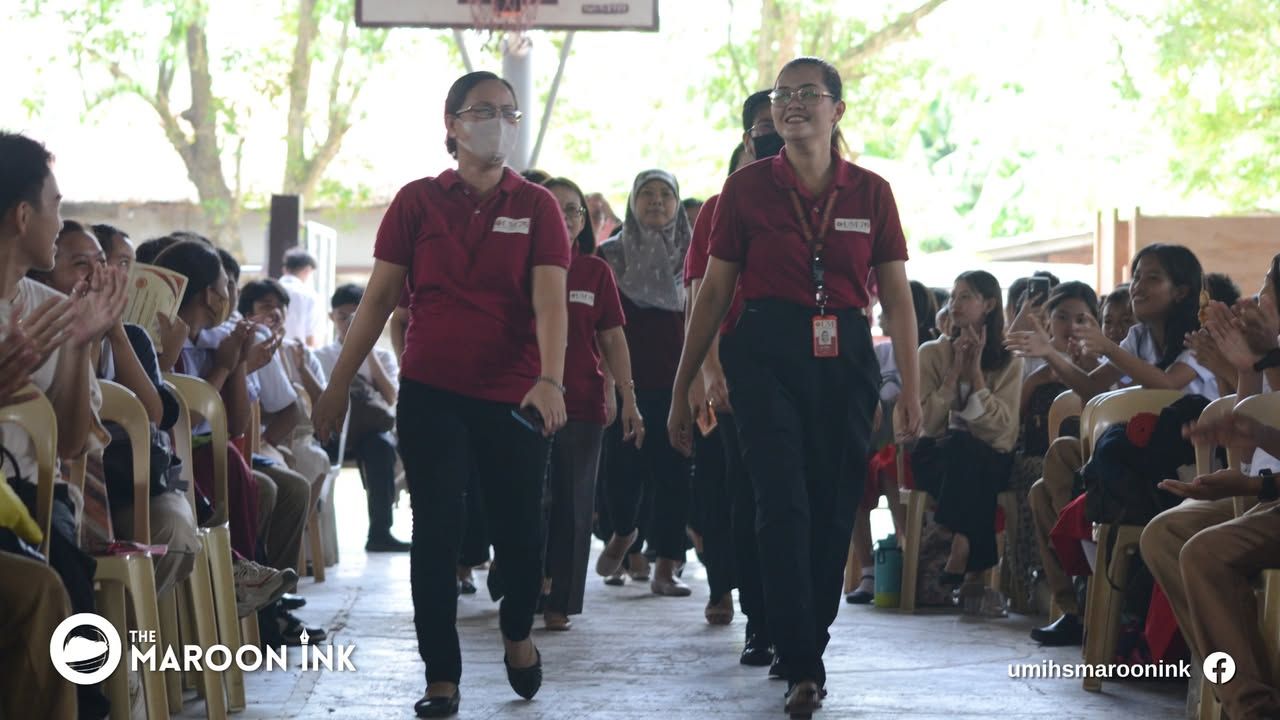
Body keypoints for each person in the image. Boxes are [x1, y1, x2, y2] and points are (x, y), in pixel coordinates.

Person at [668, 57, 922, 717]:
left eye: (809, 93)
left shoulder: (871, 192)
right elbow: (713, 292)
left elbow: (897, 300)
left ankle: (808, 636)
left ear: (838, 109)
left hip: (846, 355)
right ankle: (801, 659)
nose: (793, 104)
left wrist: (912, 392)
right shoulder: (745, 190)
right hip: (764, 351)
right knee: (780, 501)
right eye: (784, 94)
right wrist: (685, 383)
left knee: (833, 506)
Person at [311, 70, 569, 718]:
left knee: (520, 532)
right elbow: (378, 299)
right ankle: (441, 677)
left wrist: (551, 378)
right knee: (436, 532)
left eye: (509, 112)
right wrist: (338, 386)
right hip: (433, 391)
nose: (499, 122)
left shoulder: (537, 206)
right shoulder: (417, 202)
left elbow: (550, 302)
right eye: (483, 110)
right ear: (452, 125)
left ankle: (517, 631)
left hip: (515, 393)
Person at [1007, 243, 1217, 646]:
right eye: (1136, 276)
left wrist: (1107, 348)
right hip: (1137, 455)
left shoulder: (1199, 338)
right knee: (1053, 469)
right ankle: (1079, 605)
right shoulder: (1138, 337)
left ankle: (1098, 597)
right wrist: (1050, 353)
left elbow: (1167, 386)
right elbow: (1091, 389)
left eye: (1152, 277)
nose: (1138, 285)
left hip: (1187, 460)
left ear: (1181, 291)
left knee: (1057, 485)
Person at [1143, 255, 1280, 720]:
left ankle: (1250, 704)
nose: (1255, 298)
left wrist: (1261, 362)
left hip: (1267, 496)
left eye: (1266, 288)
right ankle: (1232, 677)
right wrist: (1247, 370)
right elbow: (1254, 448)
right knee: (1163, 535)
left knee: (1203, 553)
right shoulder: (1270, 353)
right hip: (1265, 492)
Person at [32, 221, 201, 595]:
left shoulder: (133, 338)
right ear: (43, 275)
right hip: (59, 485)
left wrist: (116, 331)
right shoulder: (38, 334)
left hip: (129, 484)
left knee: (173, 529)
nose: (97, 275)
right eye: (81, 264)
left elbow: (153, 415)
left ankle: (131, 618)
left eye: (101, 263)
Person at [683, 88, 784, 642]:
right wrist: (705, 373)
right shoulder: (720, 208)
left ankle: (789, 616)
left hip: (803, 370)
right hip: (733, 368)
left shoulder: (831, 198)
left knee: (789, 498)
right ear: (748, 137)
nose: (777, 132)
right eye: (765, 125)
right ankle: (750, 610)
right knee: (739, 491)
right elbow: (702, 298)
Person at [539, 176, 642, 630]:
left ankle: (560, 600)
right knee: (529, 501)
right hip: (523, 401)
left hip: (581, 401)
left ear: (583, 221)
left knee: (574, 503)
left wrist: (627, 395)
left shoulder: (595, 272)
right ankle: (528, 583)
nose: (565, 217)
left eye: (573, 210)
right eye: (554, 207)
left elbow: (613, 338)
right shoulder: (518, 265)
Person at [595, 168, 695, 598]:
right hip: (625, 384)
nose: (656, 201)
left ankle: (666, 567)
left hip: (678, 385)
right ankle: (623, 533)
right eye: (647, 194)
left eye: (666, 195)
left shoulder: (694, 254)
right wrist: (608, 383)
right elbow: (598, 327)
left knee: (675, 476)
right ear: (632, 202)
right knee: (621, 473)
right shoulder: (609, 256)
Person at [916, 270, 1022, 586]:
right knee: (962, 448)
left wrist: (975, 375)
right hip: (937, 457)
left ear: (989, 304)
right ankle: (971, 556)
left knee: (972, 451)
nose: (955, 304)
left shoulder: (1009, 361)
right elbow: (925, 424)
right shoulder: (931, 353)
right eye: (953, 296)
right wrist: (952, 376)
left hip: (987, 457)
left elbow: (1003, 433)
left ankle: (960, 542)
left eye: (965, 296)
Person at [314, 283, 411, 552]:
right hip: (331, 431)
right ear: (332, 317)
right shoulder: (320, 356)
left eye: (356, 318)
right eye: (343, 317)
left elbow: (391, 397)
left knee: (382, 447)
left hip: (368, 431)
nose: (349, 323)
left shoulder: (382, 357)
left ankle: (380, 531)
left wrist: (364, 347)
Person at [279, 247, 323, 346]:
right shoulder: (309, 295)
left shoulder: (270, 291)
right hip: (298, 353)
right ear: (307, 270)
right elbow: (311, 337)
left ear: (285, 269)